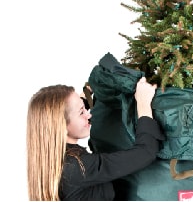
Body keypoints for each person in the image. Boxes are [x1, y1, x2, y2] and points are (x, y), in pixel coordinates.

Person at [26, 77, 165, 201]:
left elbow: (72, 111)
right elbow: (146, 152)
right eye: (82, 112)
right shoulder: (79, 167)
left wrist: (89, 88)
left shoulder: (49, 160)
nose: (89, 115)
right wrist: (143, 103)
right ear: (61, 126)